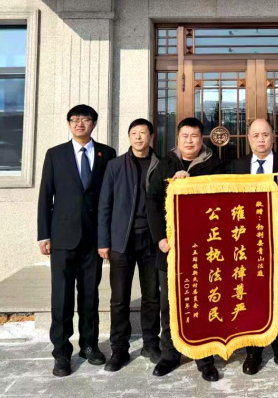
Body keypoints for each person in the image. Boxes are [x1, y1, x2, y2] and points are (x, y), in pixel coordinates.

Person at [37, 105, 117, 377]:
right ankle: (61, 352)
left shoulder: (107, 154)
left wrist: (108, 236)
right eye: (74, 119)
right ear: (69, 124)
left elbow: (110, 197)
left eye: (85, 119)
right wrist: (43, 234)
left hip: (93, 238)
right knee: (61, 297)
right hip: (62, 237)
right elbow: (45, 196)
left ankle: (89, 345)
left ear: (94, 123)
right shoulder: (55, 154)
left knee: (90, 295)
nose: (80, 124)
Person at [146, 117, 226, 382]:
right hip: (170, 249)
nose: (189, 141)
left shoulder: (215, 165)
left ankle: (204, 358)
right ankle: (170, 354)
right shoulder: (165, 164)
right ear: (177, 139)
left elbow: (222, 201)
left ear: (202, 139)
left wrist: (190, 184)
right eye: (185, 136)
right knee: (169, 303)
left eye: (194, 136)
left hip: (204, 250)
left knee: (203, 301)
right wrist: (160, 239)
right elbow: (152, 202)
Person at [229, 118, 278, 375]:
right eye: (256, 135)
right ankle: (253, 353)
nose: (261, 139)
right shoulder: (237, 167)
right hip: (246, 244)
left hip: (276, 244)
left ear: (273, 137)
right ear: (248, 138)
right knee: (249, 296)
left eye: (265, 135)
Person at [97, 118, 161, 372]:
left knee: (152, 297)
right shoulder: (115, 166)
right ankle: (119, 349)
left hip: (151, 241)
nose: (138, 137)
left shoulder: (160, 164)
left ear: (151, 137)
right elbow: (105, 204)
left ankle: (150, 344)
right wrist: (104, 241)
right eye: (134, 133)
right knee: (119, 299)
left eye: (143, 133)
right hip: (121, 240)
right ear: (129, 137)